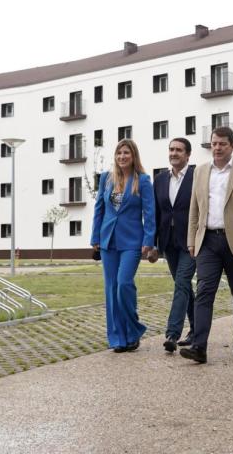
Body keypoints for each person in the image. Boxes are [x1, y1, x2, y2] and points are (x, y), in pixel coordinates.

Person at [180, 126, 233, 364]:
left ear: (232, 146)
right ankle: (199, 346)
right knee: (204, 291)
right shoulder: (201, 172)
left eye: (222, 144)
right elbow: (194, 208)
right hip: (207, 241)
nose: (217, 148)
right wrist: (192, 240)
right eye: (214, 143)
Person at [91, 139, 156, 353]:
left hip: (132, 241)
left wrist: (149, 240)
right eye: (119, 153)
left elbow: (149, 213)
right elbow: (99, 208)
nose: (122, 157)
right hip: (108, 240)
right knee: (111, 289)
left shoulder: (143, 180)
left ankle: (133, 329)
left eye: (126, 153)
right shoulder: (106, 179)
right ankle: (118, 338)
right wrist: (95, 237)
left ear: (133, 155)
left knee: (124, 284)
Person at [152, 138, 196, 353]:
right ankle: (196, 329)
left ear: (188, 154)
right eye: (171, 149)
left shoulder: (198, 176)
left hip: (191, 242)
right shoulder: (160, 179)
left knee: (181, 283)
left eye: (179, 150)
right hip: (168, 242)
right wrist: (153, 244)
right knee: (184, 286)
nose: (174, 153)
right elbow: (156, 213)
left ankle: (172, 333)